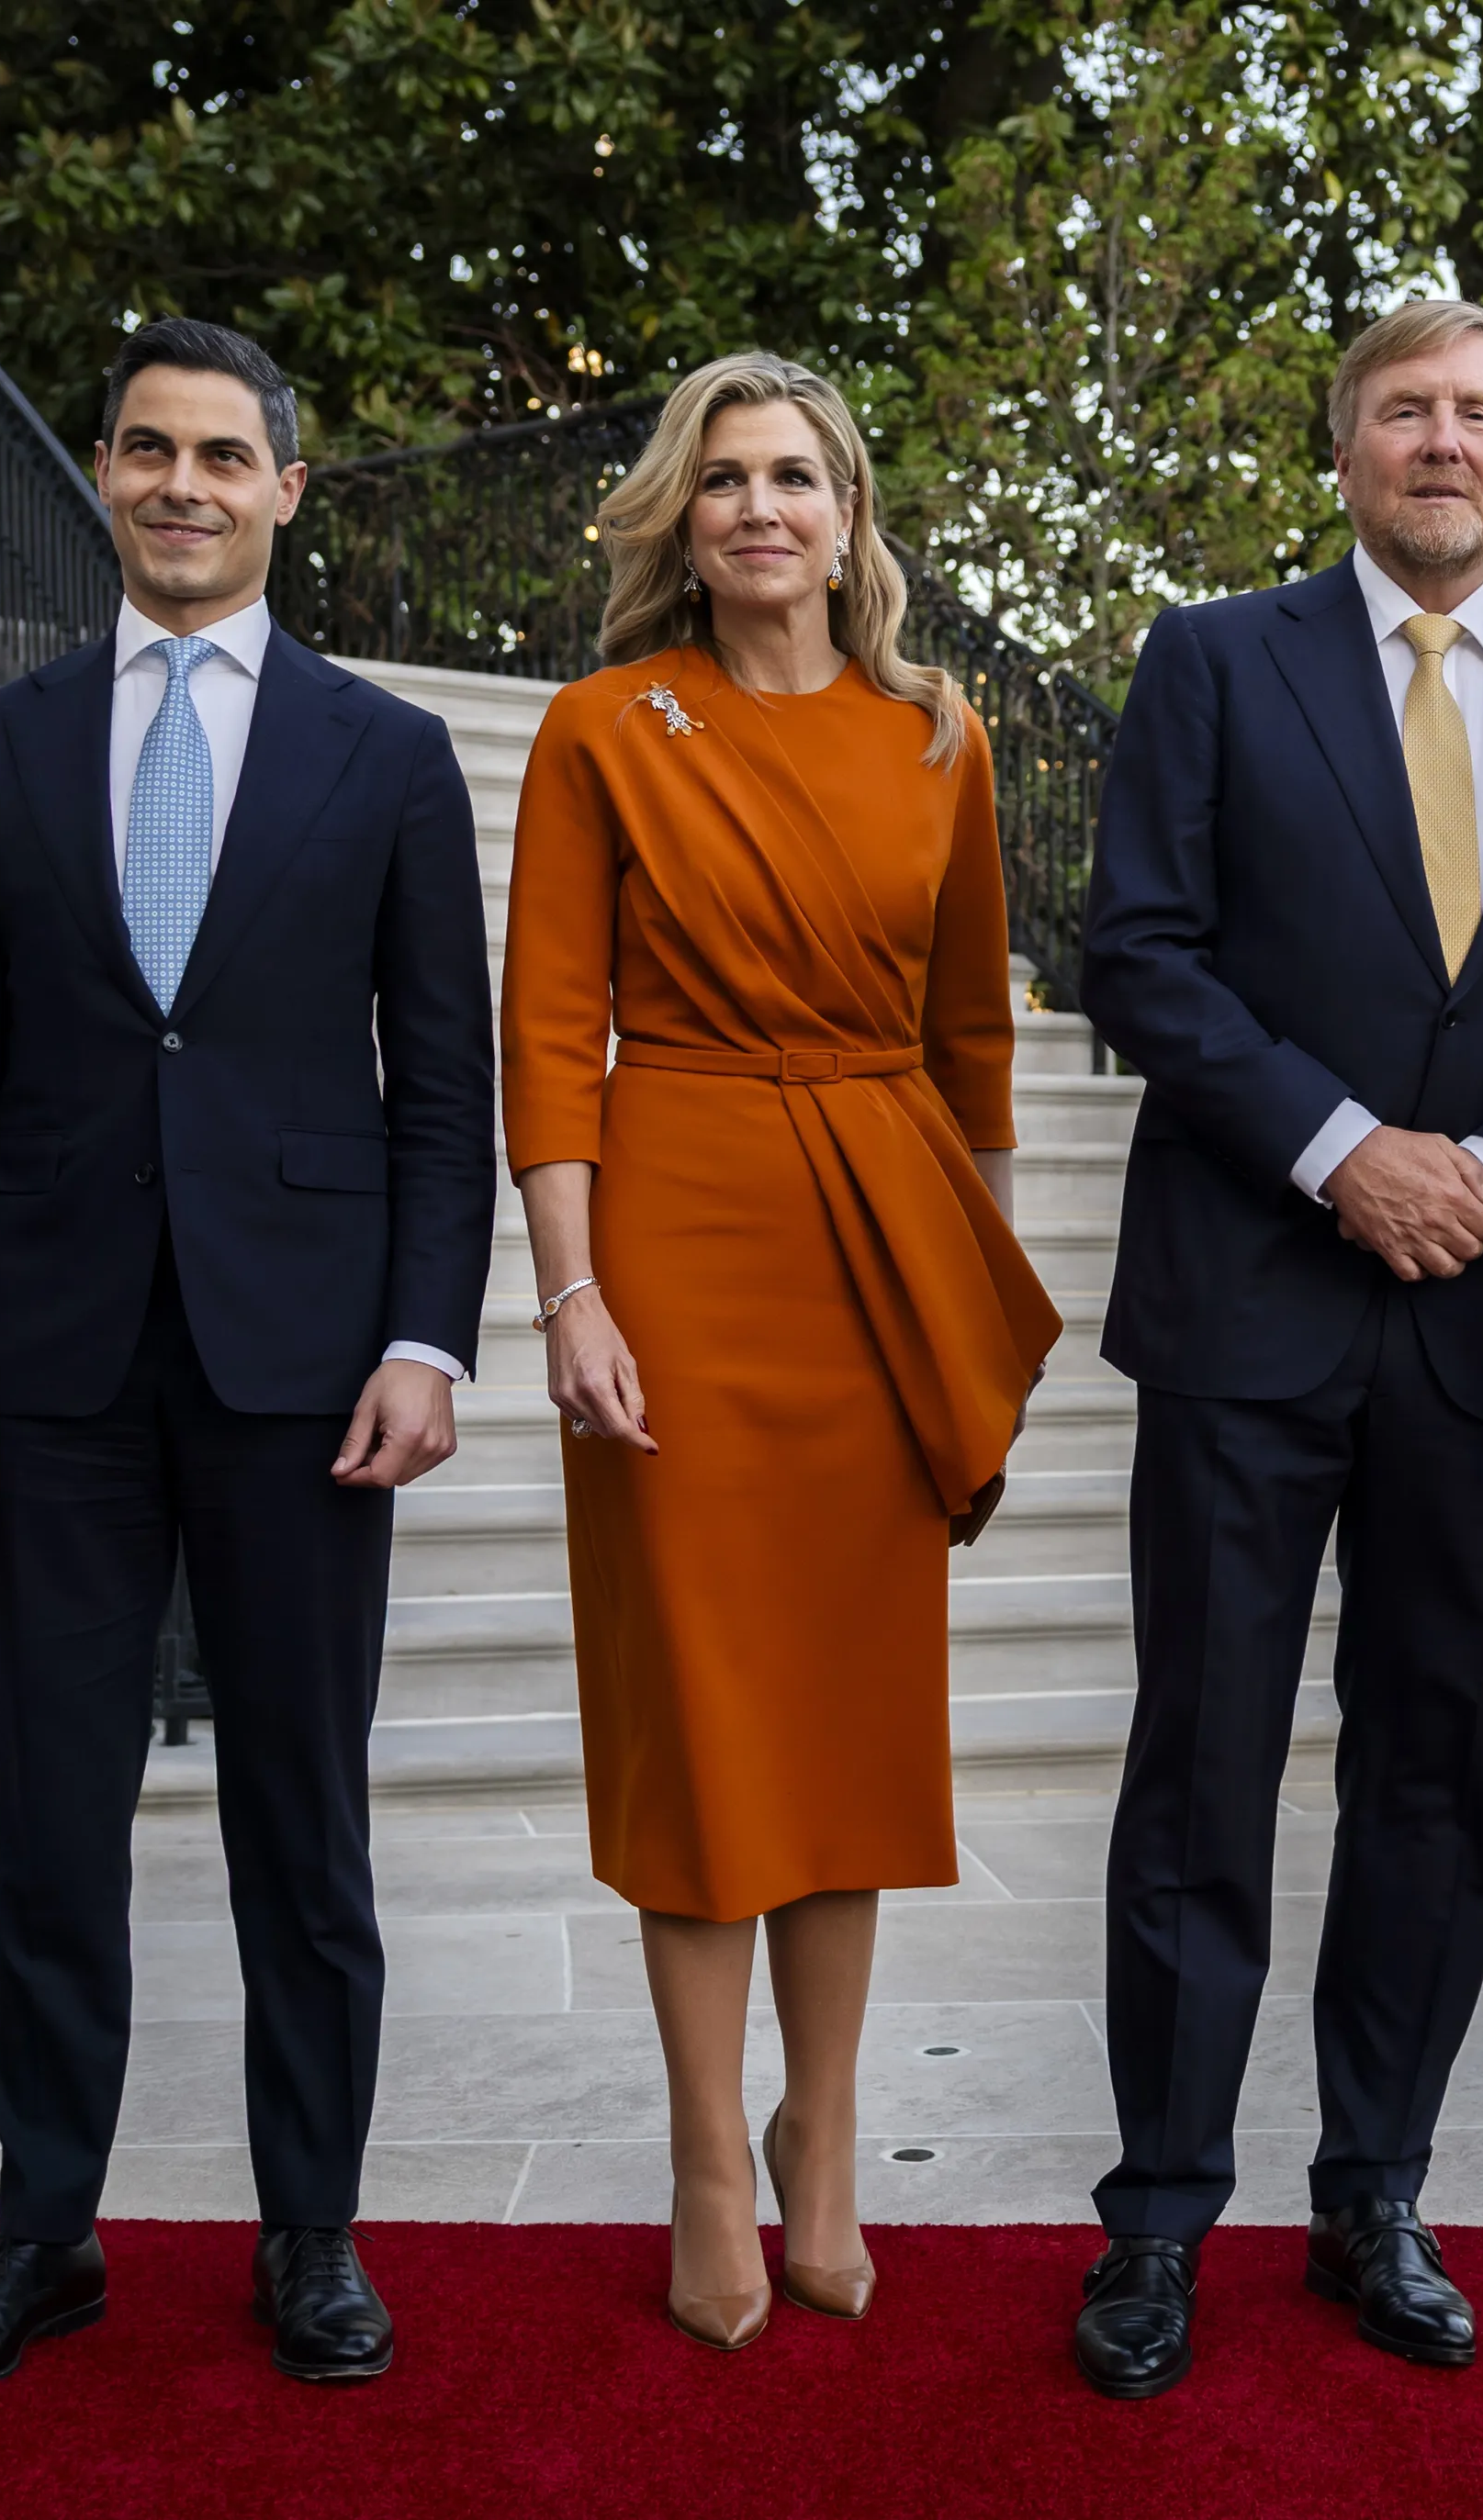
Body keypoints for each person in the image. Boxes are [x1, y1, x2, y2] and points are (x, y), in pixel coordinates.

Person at [0, 318, 494, 2394]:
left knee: (300, 1826)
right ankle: (43, 2231)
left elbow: (443, 1086)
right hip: (41, 1362)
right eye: (148, 449)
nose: (182, 485)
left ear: (285, 490)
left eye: (225, 455)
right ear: (108, 473)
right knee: (51, 1821)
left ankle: (310, 2230)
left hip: (303, 1364)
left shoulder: (387, 756)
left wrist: (426, 1335)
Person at [1069, 300, 1483, 2401]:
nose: (1441, 439)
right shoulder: (1212, 663)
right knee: (1200, 1764)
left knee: (1434, 1769)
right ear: (1345, 450)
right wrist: (1342, 1151)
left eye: (1478, 411)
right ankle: (1157, 2212)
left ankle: (1374, 2191)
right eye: (1404, 408)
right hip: (1247, 1299)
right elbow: (1136, 952)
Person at [499, 353, 1060, 2351]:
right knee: (703, 1712)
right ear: (683, 515)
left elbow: (973, 1038)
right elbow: (550, 1029)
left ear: (848, 518)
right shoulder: (600, 725)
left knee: (847, 1717)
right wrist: (570, 1292)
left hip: (884, 1238)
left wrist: (972, 1294)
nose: (760, 507)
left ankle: (824, 2134)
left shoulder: (938, 732)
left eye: (795, 476)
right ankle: (705, 2159)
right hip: (678, 1228)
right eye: (725, 477)